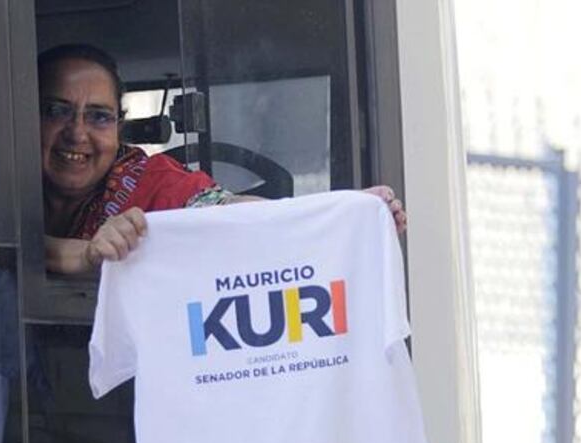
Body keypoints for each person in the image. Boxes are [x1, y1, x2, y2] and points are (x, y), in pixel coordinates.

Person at [40, 44, 407, 275]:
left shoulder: (150, 182)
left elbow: (234, 214)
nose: (77, 132)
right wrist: (87, 255)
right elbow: (10, 252)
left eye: (99, 116)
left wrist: (341, 217)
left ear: (119, 128)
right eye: (58, 110)